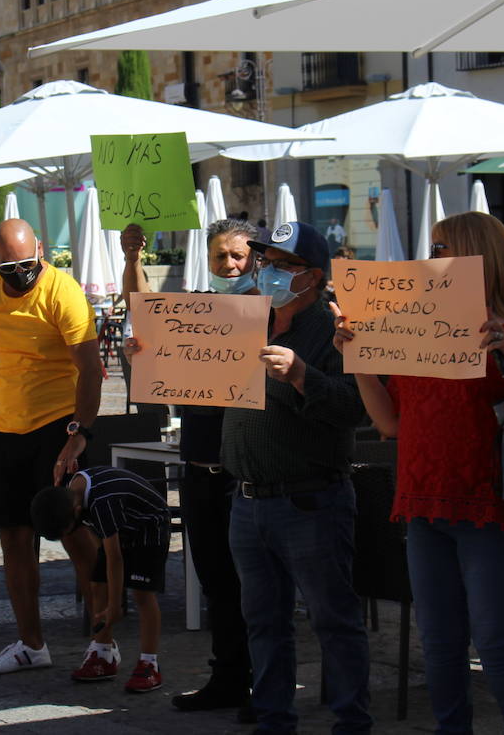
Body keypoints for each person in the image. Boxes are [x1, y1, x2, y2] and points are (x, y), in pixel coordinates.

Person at [336, 211, 504, 735]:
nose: (431, 257)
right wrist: (357, 360)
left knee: (496, 641)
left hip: (493, 503)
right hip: (424, 503)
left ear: (476, 256)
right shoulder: (418, 325)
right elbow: (390, 423)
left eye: (441, 247)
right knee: (438, 643)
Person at [222, 221, 372, 734]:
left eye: (282, 266)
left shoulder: (338, 327)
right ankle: (273, 719)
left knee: (332, 619)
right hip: (248, 499)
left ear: (313, 276)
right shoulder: (249, 321)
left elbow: (357, 410)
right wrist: (152, 356)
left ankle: (352, 721)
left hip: (310, 498)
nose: (268, 273)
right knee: (263, 622)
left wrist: (300, 375)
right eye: (266, 263)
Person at [0, 218, 103, 676]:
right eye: (9, 265)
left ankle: (103, 639)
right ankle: (31, 644)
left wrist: (79, 434)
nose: (21, 273)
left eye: (28, 262)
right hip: (4, 427)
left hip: (57, 424)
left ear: (41, 249)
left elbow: (92, 370)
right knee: (13, 539)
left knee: (74, 532)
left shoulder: (62, 292)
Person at [121, 219, 256, 715]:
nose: (230, 265)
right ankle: (226, 679)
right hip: (199, 471)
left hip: (247, 476)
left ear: (254, 258)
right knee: (217, 583)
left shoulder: (262, 313)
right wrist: (133, 258)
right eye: (221, 256)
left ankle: (263, 683)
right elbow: (146, 314)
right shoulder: (196, 306)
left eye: (238, 256)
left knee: (254, 588)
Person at [31, 465, 170, 693]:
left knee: (142, 595)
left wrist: (115, 606)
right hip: (120, 527)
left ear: (76, 511)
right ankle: (103, 654)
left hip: (149, 528)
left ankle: (149, 664)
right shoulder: (72, 492)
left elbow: (115, 558)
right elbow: (103, 548)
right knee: (97, 583)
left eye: (68, 531)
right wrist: (102, 569)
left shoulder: (102, 502)